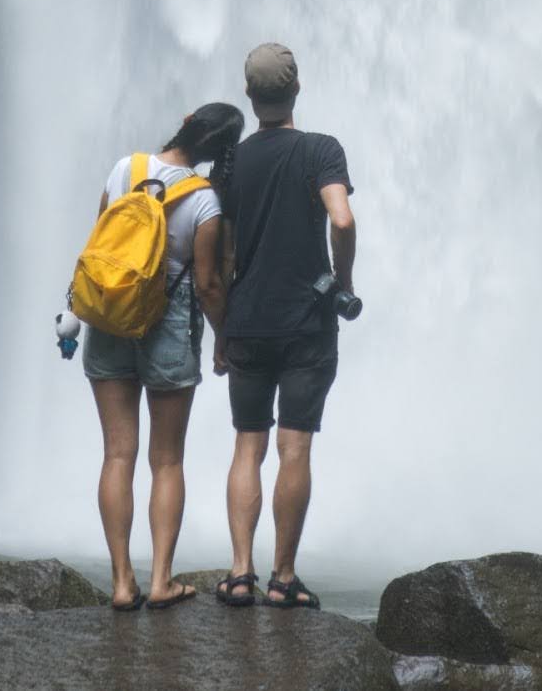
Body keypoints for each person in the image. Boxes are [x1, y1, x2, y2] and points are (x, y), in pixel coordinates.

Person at [81, 102, 245, 611]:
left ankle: (122, 583)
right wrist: (224, 338)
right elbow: (208, 285)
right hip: (169, 326)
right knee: (167, 459)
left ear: (186, 122)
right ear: (221, 154)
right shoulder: (205, 202)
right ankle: (162, 581)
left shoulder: (123, 168)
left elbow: (100, 245)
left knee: (117, 454)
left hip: (110, 319)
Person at [214, 44, 356, 610]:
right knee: (294, 448)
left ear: (250, 98)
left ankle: (240, 573)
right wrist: (341, 280)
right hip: (306, 324)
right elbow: (341, 218)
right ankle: (282, 578)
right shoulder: (321, 149)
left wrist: (221, 334)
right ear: (296, 91)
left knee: (248, 445)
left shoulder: (231, 164)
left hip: (246, 322)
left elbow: (221, 256)